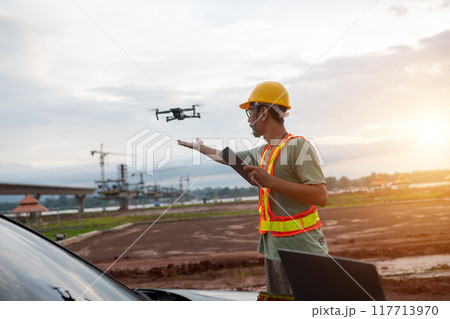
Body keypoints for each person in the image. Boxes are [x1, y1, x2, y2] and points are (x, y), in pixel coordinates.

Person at [178, 81, 328, 295]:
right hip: (274, 252)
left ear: (264, 112)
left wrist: (271, 181)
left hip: (303, 253)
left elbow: (320, 196)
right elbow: (229, 158)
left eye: (250, 112)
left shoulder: (299, 147)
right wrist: (201, 148)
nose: (249, 120)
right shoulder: (263, 151)